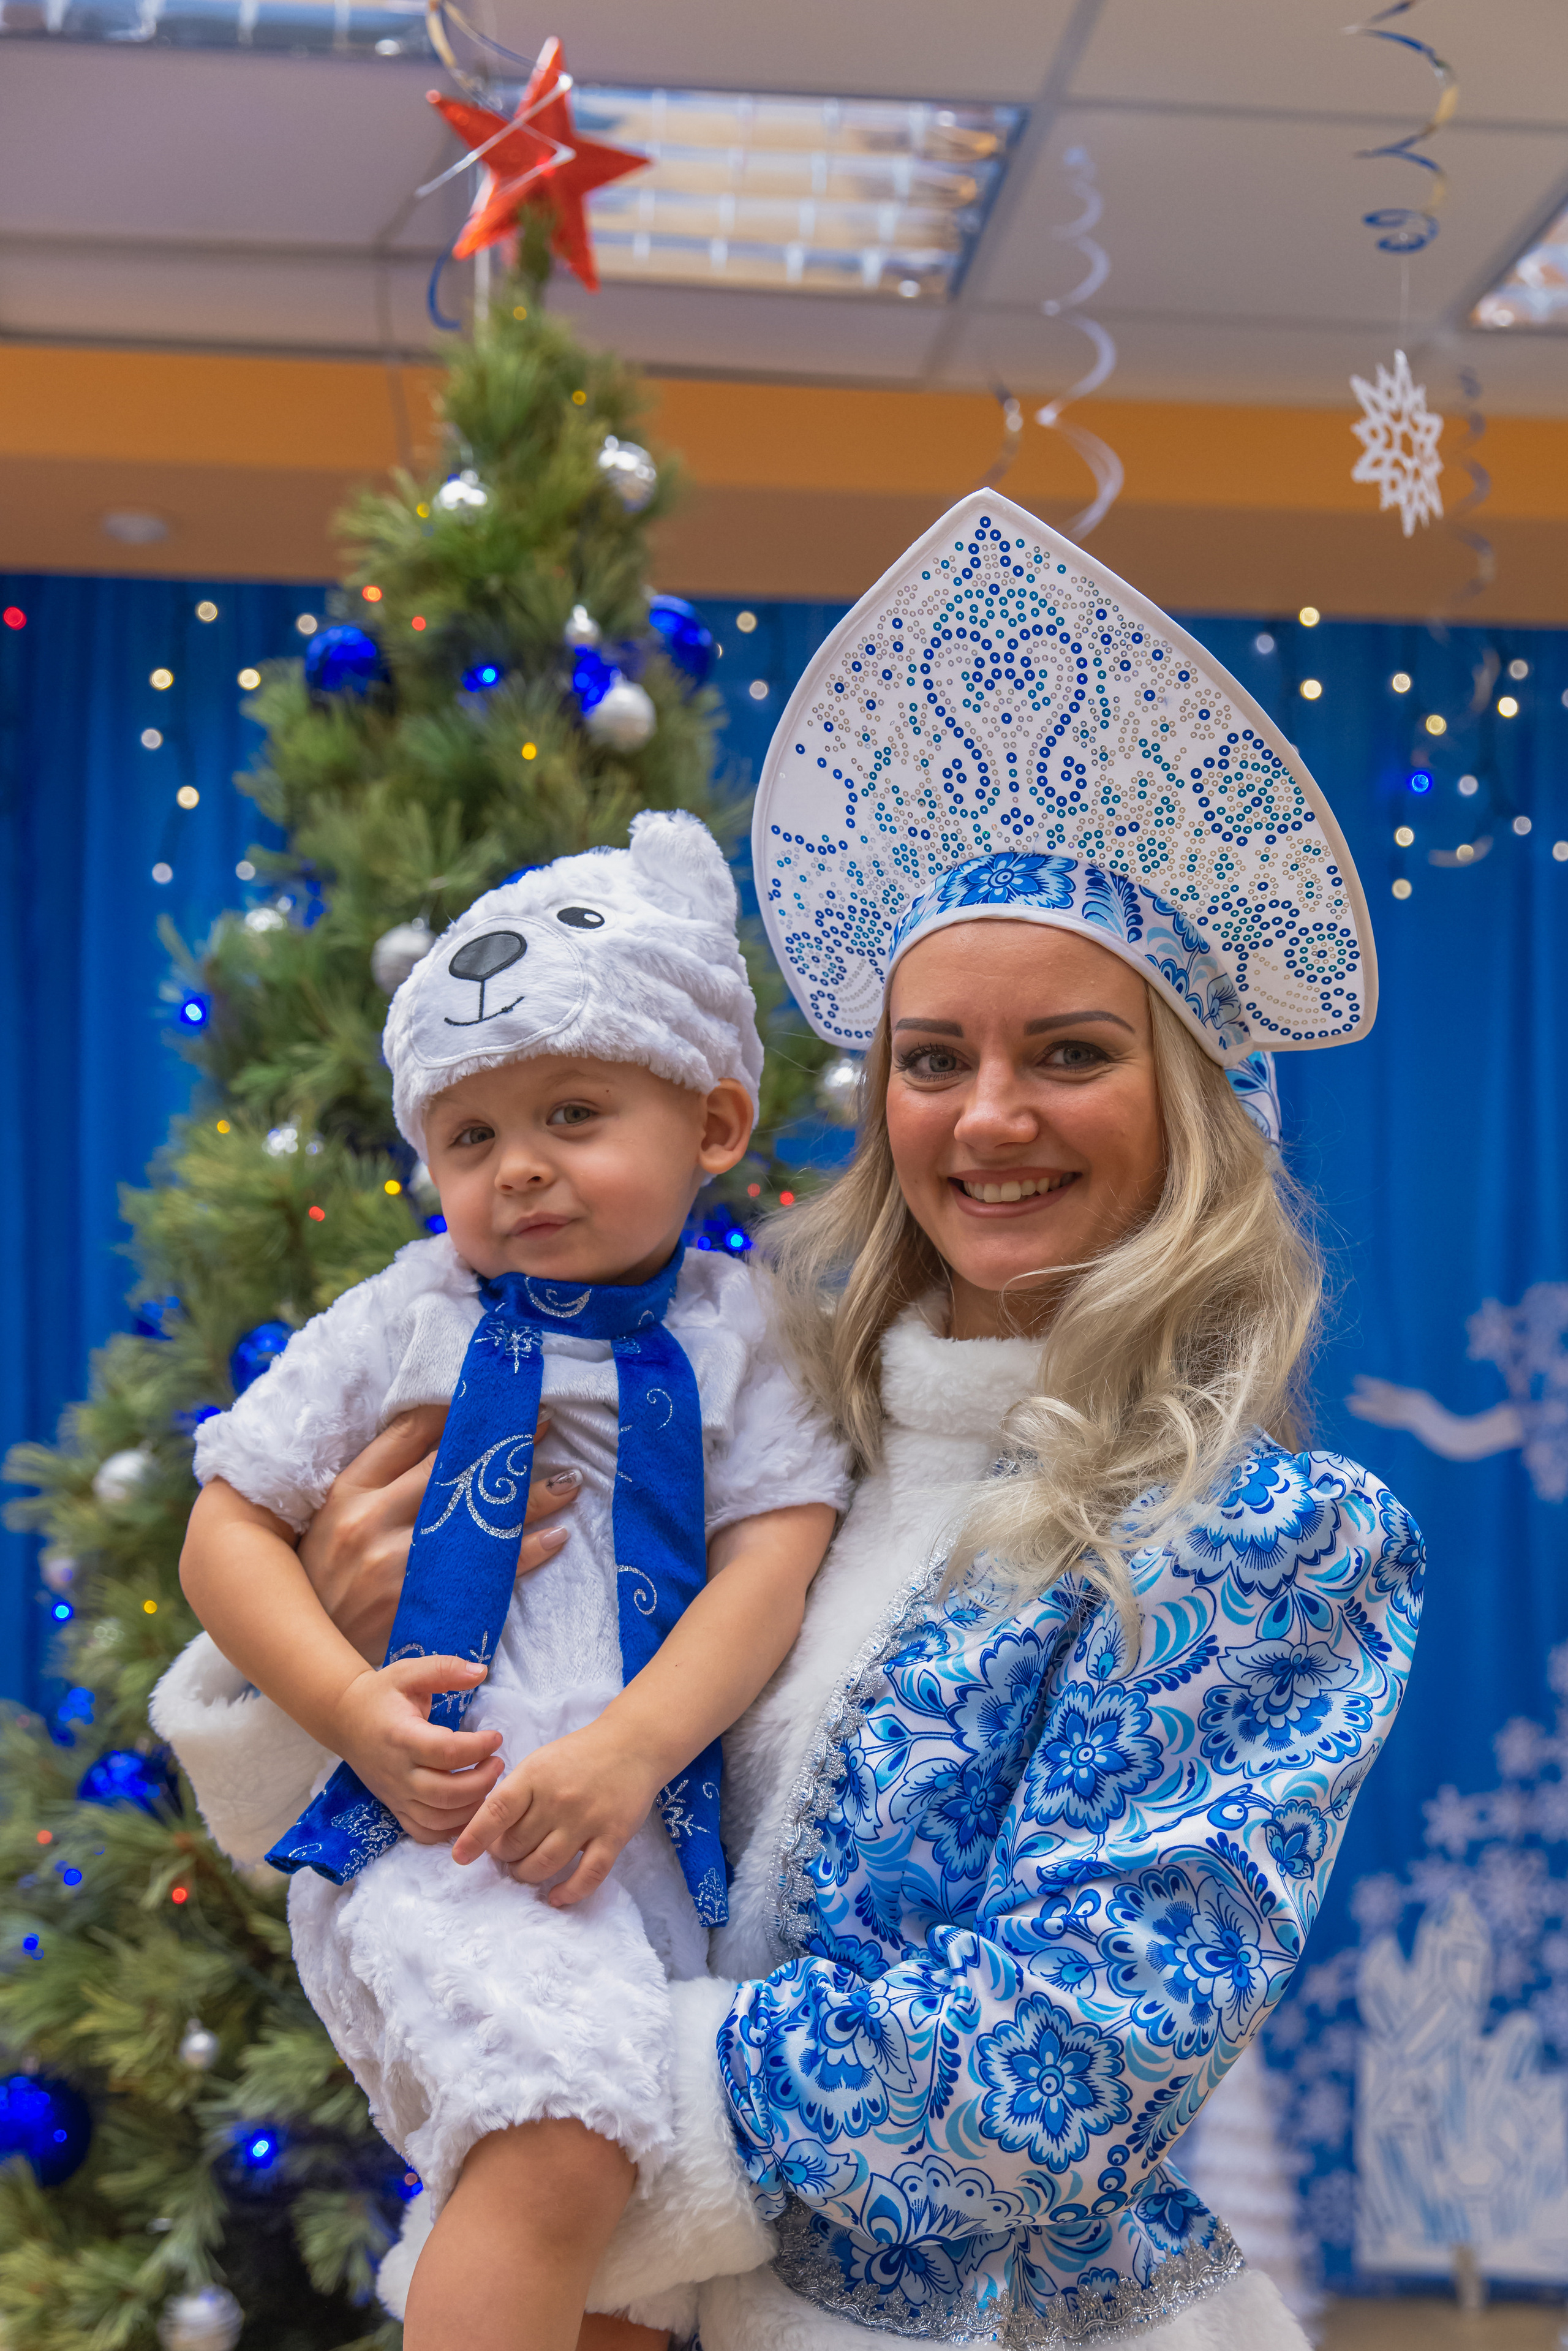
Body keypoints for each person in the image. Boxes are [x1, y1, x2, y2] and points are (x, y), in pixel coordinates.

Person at [156, 492, 1423, 2350]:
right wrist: (332, 1661)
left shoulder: (1267, 1530)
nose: (989, 1116)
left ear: (1196, 1106)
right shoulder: (764, 1406)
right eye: (935, 1058)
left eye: (1069, 1052)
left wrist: (568, 2107)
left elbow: (1064, 2040)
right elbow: (528, 1763)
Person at [168, 810, 852, 2351]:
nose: (521, 1168)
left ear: (718, 1122)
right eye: (469, 1138)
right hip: (446, 1828)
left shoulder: (749, 1333)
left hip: (650, 1846)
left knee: (634, 2247)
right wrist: (350, 1707)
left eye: (573, 1111)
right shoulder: (401, 1316)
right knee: (560, 2142)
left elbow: (770, 1566)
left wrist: (626, 1752)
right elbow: (225, 1526)